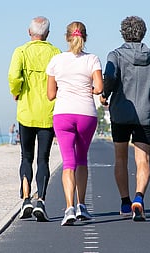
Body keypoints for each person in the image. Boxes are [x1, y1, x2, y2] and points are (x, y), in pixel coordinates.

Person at [100, 16, 150, 221]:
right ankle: (139, 199)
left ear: (123, 32)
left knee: (121, 159)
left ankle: (125, 202)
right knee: (143, 160)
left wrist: (105, 94)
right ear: (143, 33)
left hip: (120, 113)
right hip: (145, 115)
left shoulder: (115, 55)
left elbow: (111, 77)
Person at [46, 21, 103, 226]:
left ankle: (69, 208)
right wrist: (88, 90)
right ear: (84, 37)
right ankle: (82, 206)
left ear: (66, 38)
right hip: (87, 115)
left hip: (63, 115)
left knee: (68, 162)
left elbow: (51, 95)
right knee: (82, 159)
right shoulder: (92, 59)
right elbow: (99, 87)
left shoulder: (56, 60)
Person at [8, 16, 61, 222]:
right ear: (47, 34)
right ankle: (42, 201)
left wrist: (17, 90)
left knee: (26, 157)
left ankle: (26, 199)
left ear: (29, 32)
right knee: (43, 159)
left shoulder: (20, 51)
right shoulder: (55, 53)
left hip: (26, 113)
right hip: (48, 113)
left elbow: (13, 76)